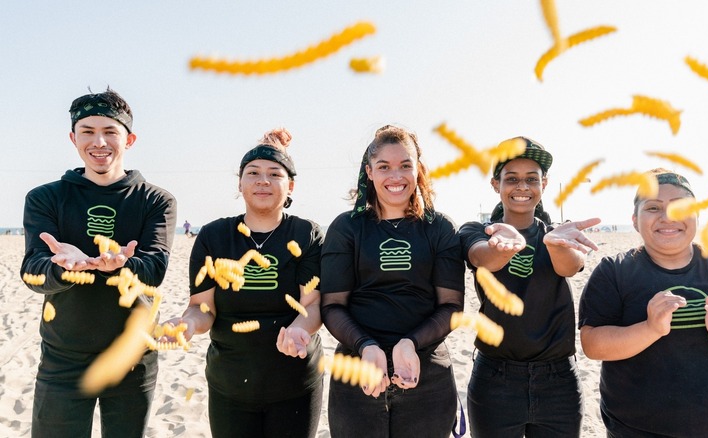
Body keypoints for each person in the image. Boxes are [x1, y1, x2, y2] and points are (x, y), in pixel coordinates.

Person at [20, 88, 177, 438]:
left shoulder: (155, 200)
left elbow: (154, 268)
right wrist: (63, 267)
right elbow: (33, 272)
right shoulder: (46, 197)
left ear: (130, 139)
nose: (99, 142)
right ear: (73, 138)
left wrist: (120, 266)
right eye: (88, 132)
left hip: (132, 357)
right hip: (63, 356)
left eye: (110, 132)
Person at [579, 168, 708, 437]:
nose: (667, 216)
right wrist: (649, 330)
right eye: (653, 207)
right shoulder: (614, 271)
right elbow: (593, 344)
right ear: (635, 220)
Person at [161, 128, 324, 438]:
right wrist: (187, 325)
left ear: (290, 186)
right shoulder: (214, 236)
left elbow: (312, 304)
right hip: (229, 384)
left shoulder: (306, 234)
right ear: (240, 183)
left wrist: (299, 330)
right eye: (253, 173)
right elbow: (201, 308)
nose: (263, 180)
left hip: (295, 382)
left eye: (274, 174)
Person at [320, 125, 465, 437]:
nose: (395, 176)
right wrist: (366, 345)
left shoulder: (439, 228)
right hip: (357, 374)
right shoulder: (347, 228)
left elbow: (451, 306)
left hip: (427, 375)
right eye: (384, 167)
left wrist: (410, 343)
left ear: (419, 170)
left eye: (405, 165)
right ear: (369, 172)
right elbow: (332, 306)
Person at [459, 136, 599, 437]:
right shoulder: (477, 231)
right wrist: (502, 248)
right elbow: (482, 257)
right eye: (511, 179)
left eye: (531, 179)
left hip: (558, 380)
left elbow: (570, 266)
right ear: (496, 185)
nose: (522, 186)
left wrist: (553, 244)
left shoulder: (559, 233)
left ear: (544, 185)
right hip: (495, 378)